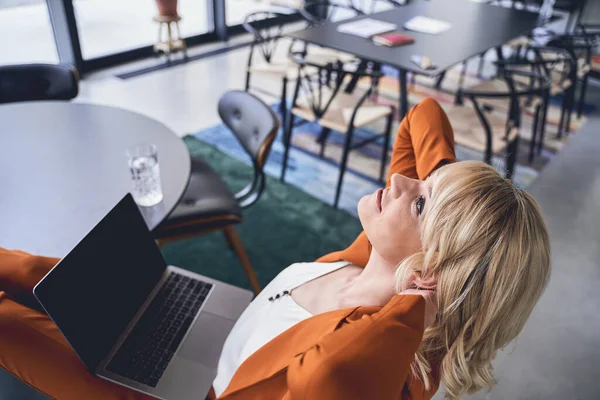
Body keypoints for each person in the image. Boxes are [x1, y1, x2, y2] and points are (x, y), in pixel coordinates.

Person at [0, 98, 551, 400]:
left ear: (428, 277)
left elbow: (324, 381)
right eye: (424, 184)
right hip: (226, 327)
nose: (402, 182)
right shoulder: (369, 257)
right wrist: (450, 194)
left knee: (9, 326)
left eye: (421, 204)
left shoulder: (391, 360)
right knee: (34, 270)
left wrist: (413, 301)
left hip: (199, 394)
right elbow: (423, 115)